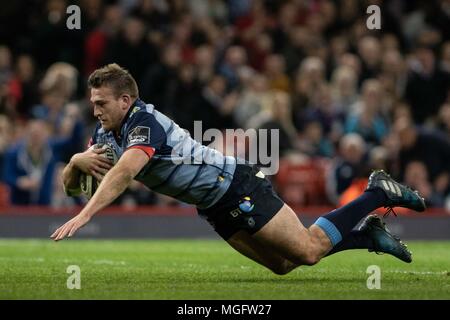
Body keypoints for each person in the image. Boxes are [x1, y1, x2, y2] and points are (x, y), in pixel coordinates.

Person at [52, 64, 426, 274]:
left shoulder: (144, 123)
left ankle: (377, 192)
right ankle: (368, 236)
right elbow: (73, 187)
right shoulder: (105, 133)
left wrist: (86, 215)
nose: (95, 110)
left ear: (125, 100)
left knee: (309, 250)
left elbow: (124, 173)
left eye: (101, 102)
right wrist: (75, 163)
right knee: (283, 265)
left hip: (234, 184)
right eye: (93, 103)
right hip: (213, 205)